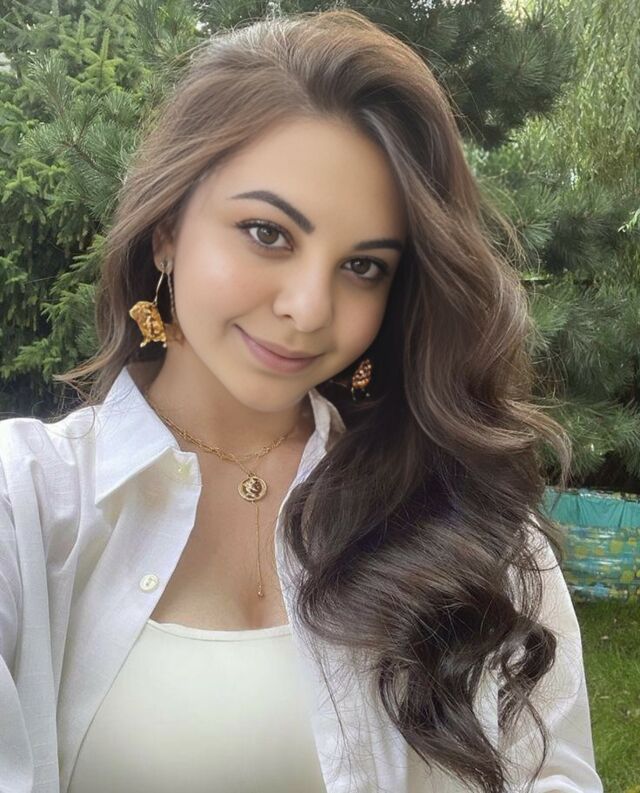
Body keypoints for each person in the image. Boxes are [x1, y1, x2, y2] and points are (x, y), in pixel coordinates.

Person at [0, 8, 603, 793]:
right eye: (267, 233)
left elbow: (553, 774)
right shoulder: (26, 501)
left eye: (363, 266)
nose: (310, 307)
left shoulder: (463, 511)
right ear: (166, 228)